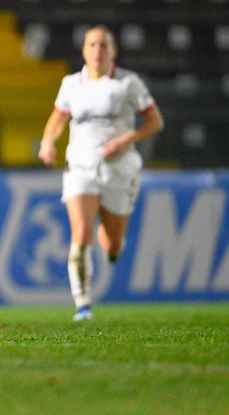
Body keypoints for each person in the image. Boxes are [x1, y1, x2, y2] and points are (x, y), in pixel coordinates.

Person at [38, 25, 164, 321]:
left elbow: (155, 122)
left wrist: (125, 139)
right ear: (84, 50)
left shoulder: (128, 83)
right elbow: (58, 117)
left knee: (113, 246)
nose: (98, 51)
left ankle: (108, 235)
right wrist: (47, 142)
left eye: (104, 45)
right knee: (80, 235)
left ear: (114, 50)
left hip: (118, 170)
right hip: (81, 167)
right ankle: (83, 306)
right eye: (92, 45)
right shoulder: (71, 84)